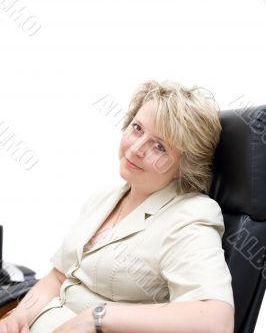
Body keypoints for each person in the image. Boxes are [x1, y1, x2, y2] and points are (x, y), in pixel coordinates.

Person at [0, 79, 235, 333]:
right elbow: (58, 277)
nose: (135, 149)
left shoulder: (190, 215)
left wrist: (97, 317)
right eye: (137, 128)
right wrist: (20, 316)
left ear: (185, 166)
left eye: (159, 146)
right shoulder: (104, 198)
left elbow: (216, 321)